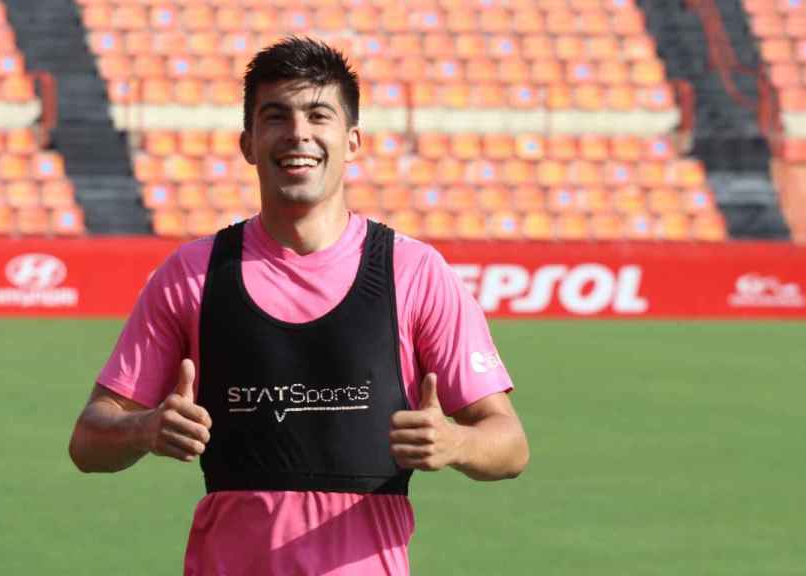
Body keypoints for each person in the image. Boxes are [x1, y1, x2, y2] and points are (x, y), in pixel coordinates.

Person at [68, 36, 529, 575]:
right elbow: (88, 441)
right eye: (276, 116)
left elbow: (510, 444)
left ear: (352, 141)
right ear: (248, 142)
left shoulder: (416, 272)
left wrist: (456, 443)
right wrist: (145, 429)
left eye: (318, 114)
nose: (298, 134)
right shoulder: (192, 275)